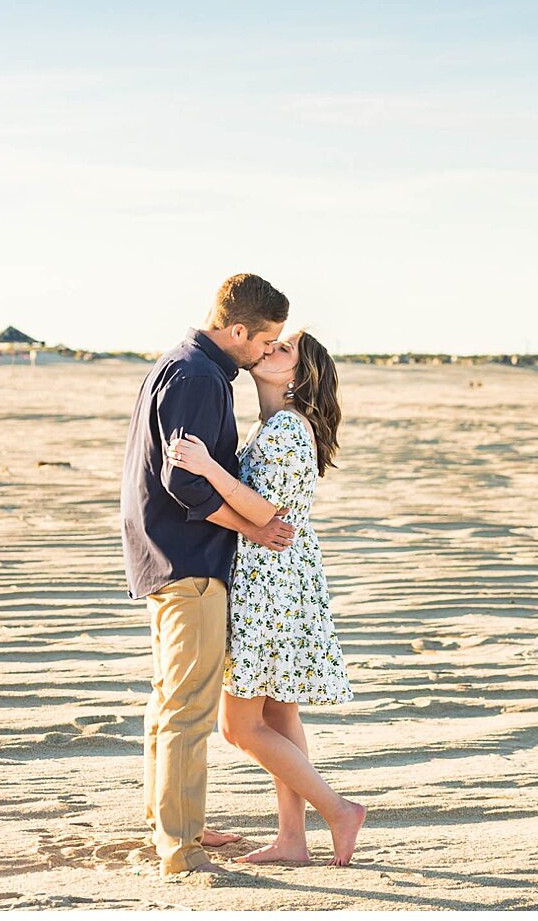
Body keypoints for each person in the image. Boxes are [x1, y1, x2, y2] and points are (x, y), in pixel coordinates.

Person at [120, 273, 296, 878]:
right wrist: (251, 529)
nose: (267, 352)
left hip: (168, 554)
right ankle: (180, 847)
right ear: (239, 330)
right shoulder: (198, 375)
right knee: (188, 708)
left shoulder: (185, 363)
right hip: (188, 558)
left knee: (171, 700)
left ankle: (173, 822)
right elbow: (184, 479)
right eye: (265, 340)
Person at [170, 331, 366, 867]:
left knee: (239, 725)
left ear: (298, 376)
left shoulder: (284, 428)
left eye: (284, 350)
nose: (270, 350)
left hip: (269, 582)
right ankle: (292, 840)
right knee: (279, 714)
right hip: (284, 579)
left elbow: (265, 513)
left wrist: (207, 468)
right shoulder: (276, 426)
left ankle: (339, 810)